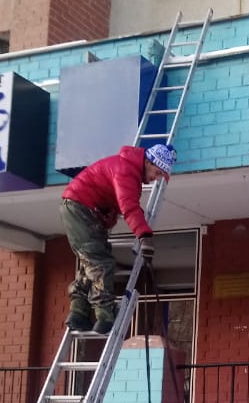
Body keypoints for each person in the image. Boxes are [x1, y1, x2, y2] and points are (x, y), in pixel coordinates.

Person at [59, 143, 176, 334]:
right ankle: (105, 315)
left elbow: (117, 203)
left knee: (92, 262)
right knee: (101, 263)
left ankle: (78, 313)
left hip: (82, 208)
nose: (155, 179)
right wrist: (144, 236)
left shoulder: (126, 169)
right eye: (157, 173)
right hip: (82, 209)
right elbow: (129, 206)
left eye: (160, 176)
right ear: (147, 162)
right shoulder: (126, 171)